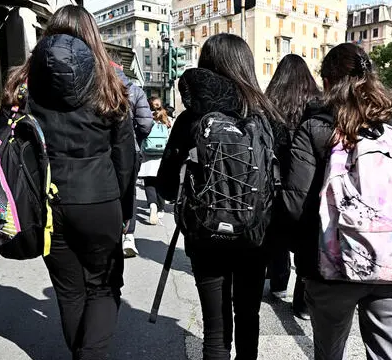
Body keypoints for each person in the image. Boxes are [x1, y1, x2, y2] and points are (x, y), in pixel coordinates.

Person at [281, 43, 392, 360]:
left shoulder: (315, 129)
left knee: (328, 353)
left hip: (332, 272)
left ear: (327, 83)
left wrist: (312, 256)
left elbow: (296, 208)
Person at [2, 6, 135, 360]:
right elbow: (126, 160)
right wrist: (123, 209)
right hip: (100, 198)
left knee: (69, 291)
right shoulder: (109, 84)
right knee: (104, 287)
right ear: (92, 36)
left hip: (46, 204)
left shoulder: (26, 85)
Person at [157, 33, 282, 360]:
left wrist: (173, 193)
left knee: (214, 328)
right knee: (248, 316)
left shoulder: (191, 118)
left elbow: (167, 179)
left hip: (205, 233)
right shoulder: (265, 115)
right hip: (256, 234)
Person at [263, 54, 321, 320]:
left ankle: (277, 283)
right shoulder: (316, 102)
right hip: (306, 181)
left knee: (276, 233)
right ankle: (303, 303)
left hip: (274, 179)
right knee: (307, 239)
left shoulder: (269, 102)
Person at [110, 61, 153, 258]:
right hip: (129, 150)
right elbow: (145, 123)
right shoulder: (135, 90)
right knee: (129, 191)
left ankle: (110, 235)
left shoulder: (97, 88)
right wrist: (136, 139)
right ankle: (129, 235)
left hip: (102, 152)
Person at [136, 96, 169, 227]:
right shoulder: (167, 119)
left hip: (148, 157)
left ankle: (153, 205)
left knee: (149, 183)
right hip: (162, 158)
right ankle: (161, 208)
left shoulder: (146, 118)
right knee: (160, 182)